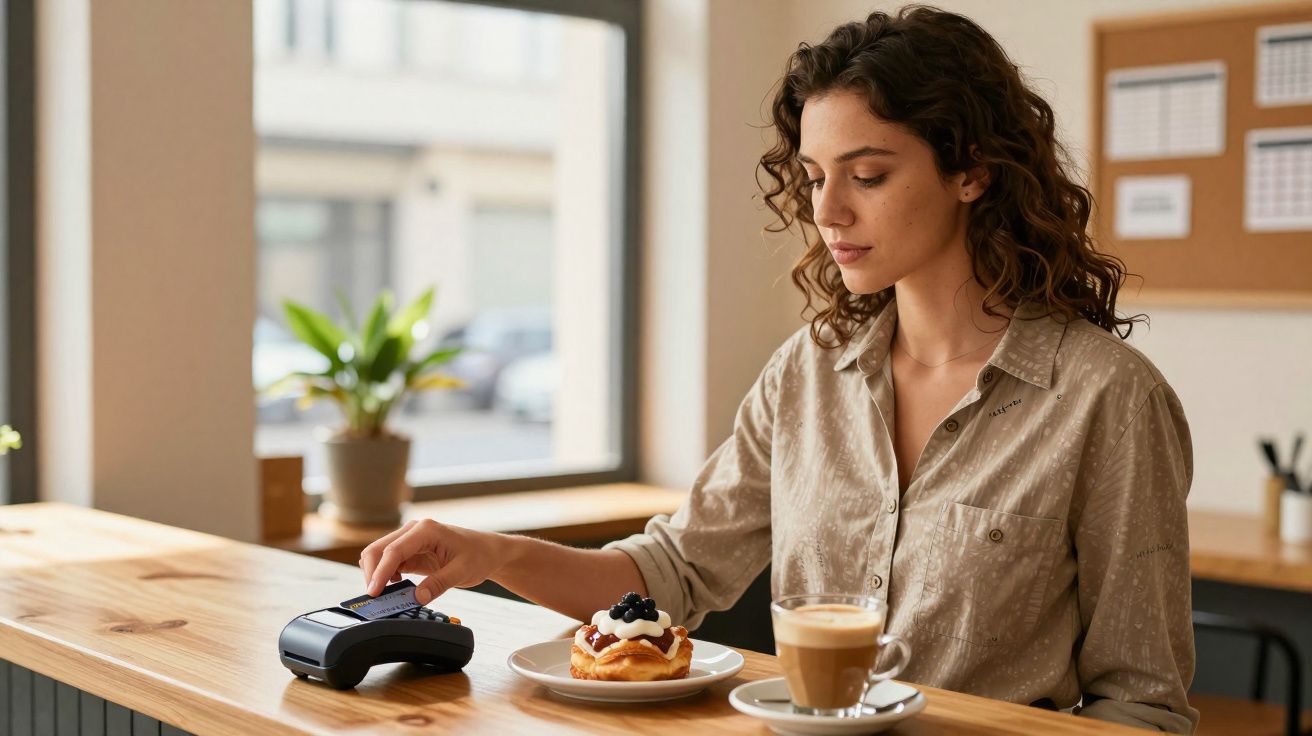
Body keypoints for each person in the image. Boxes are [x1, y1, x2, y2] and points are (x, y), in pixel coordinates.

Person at [360, 5, 1197, 732]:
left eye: (868, 175)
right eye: (815, 177)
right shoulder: (808, 374)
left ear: (972, 169)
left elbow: (1142, 705)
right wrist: (490, 554)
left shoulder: (1107, 400)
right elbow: (670, 576)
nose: (828, 213)